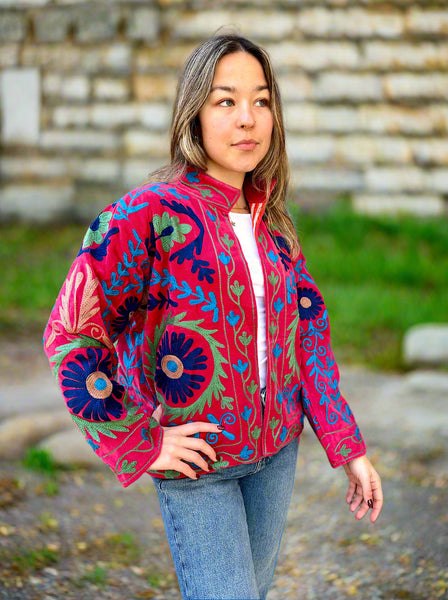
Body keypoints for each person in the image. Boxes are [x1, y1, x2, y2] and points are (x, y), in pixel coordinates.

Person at [44, 33, 383, 600]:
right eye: (226, 101)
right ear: (194, 114)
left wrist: (345, 443)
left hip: (277, 454)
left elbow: (308, 341)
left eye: (261, 101)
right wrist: (140, 440)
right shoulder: (146, 213)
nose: (247, 119)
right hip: (198, 464)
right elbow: (72, 330)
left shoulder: (274, 223)